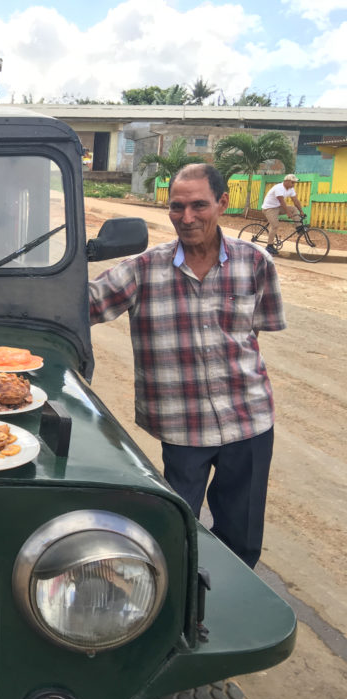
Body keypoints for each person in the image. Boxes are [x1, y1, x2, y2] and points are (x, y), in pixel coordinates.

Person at [88, 163, 286, 569]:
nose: (187, 217)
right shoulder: (143, 270)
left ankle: (230, 609)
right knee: (175, 533)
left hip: (249, 422)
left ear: (223, 203)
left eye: (199, 205)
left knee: (242, 536)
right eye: (177, 207)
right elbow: (82, 304)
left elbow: (253, 337)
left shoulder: (256, 262)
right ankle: (182, 613)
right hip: (182, 427)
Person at [260, 173, 304, 255]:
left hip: (278, 207)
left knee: (294, 209)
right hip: (269, 208)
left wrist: (301, 211)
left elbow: (295, 201)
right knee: (275, 226)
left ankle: (299, 228)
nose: (294, 184)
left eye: (294, 183)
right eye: (292, 182)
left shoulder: (291, 189)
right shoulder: (279, 188)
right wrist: (287, 212)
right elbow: (281, 201)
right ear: (286, 181)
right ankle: (269, 246)